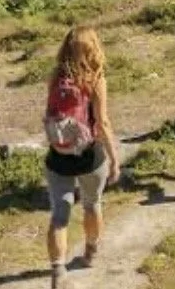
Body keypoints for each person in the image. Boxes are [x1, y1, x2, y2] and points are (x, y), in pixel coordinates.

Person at [42, 26, 121, 289]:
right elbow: (104, 121)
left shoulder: (56, 76)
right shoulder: (96, 79)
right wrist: (115, 159)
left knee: (59, 216)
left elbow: (51, 114)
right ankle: (90, 251)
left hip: (58, 156)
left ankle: (58, 271)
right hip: (89, 156)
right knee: (92, 204)